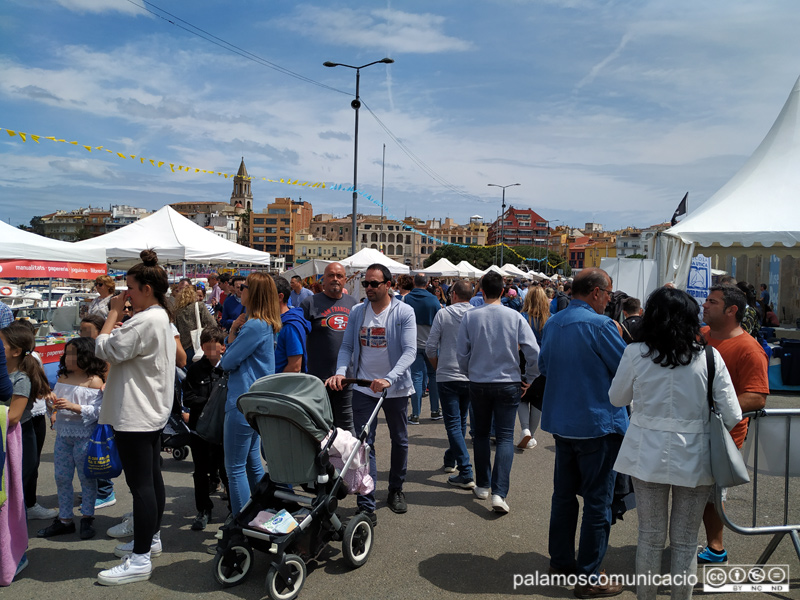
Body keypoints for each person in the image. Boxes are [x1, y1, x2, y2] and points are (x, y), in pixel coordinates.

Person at [609, 287, 741, 600]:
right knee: (684, 541)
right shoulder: (709, 356)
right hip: (694, 456)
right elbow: (733, 414)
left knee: (650, 537)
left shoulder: (635, 354)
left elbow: (617, 398)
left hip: (646, 453)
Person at [538, 268, 627, 598]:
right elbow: (625, 371)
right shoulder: (601, 325)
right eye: (608, 294)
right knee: (597, 502)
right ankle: (590, 575)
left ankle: (561, 560)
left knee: (563, 496)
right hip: (597, 424)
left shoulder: (553, 322)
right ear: (596, 293)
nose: (608, 300)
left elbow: (544, 367)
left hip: (564, 423)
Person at [94, 250, 176, 585]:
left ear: (145, 288)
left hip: (136, 413)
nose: (124, 295)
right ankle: (150, 540)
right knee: (151, 480)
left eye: (129, 288)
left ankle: (141, 557)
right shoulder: (160, 318)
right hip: (150, 410)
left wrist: (111, 316)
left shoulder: (145, 320)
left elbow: (105, 349)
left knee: (141, 485)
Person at [326, 263, 416, 521]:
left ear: (388, 285)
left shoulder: (403, 312)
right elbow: (346, 347)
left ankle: (396, 489)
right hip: (364, 389)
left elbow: (410, 351)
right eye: (366, 283)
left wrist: (389, 379)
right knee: (365, 443)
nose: (368, 288)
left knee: (400, 439)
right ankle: (367, 503)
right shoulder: (357, 312)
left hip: (395, 388)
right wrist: (342, 373)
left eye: (374, 284)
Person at [456, 270, 539, 515]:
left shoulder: (470, 317)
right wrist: (530, 378)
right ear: (503, 291)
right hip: (508, 382)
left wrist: (468, 371)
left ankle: (483, 484)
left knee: (480, 435)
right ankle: (499, 493)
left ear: (481, 290)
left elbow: (461, 353)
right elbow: (533, 351)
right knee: (503, 437)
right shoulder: (514, 316)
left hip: (479, 381)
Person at [697, 284, 769, 565]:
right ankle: (704, 545)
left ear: (732, 310)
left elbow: (757, 397)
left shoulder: (749, 349)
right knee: (697, 492)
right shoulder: (701, 335)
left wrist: (716, 409)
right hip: (694, 430)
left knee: (712, 495)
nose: (704, 305)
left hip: (723, 435)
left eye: (712, 302)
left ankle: (716, 548)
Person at [219, 272, 281, 517]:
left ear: (253, 293)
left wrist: (232, 335)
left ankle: (243, 522)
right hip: (256, 400)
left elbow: (227, 361)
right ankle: (263, 514)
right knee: (253, 462)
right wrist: (233, 331)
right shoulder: (265, 323)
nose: (239, 290)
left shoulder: (255, 325)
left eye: (243, 287)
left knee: (234, 467)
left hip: (242, 400)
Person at [37, 337, 106, 540]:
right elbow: (56, 406)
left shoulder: (94, 380)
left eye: (73, 354)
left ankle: (87, 517)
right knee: (61, 477)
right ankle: (65, 519)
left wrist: (75, 407)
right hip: (63, 435)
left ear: (86, 356)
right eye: (67, 353)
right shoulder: (63, 377)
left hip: (85, 436)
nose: (68, 358)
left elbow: (100, 411)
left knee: (87, 479)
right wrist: (52, 406)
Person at [426, 280, 475, 488]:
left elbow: (430, 347)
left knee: (454, 424)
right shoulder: (477, 314)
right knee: (460, 421)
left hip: (447, 374)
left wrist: (438, 367)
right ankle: (451, 459)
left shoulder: (443, 314)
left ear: (453, 294)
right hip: (470, 375)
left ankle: (466, 469)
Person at [300, 262, 358, 434]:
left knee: (347, 428)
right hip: (318, 379)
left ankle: (349, 461)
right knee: (320, 428)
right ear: (323, 280)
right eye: (331, 275)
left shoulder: (353, 304)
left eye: (339, 276)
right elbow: (299, 338)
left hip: (346, 379)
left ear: (345, 280)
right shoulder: (309, 303)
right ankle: (323, 461)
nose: (335, 279)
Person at [182, 326, 229, 531]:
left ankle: (234, 511)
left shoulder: (228, 369)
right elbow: (189, 398)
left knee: (226, 470)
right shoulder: (194, 370)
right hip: (199, 429)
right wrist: (211, 404)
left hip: (222, 430)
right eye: (206, 348)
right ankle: (203, 510)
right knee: (200, 471)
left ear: (223, 348)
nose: (210, 353)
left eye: (214, 348)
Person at [404, 274, 443, 423]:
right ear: (427, 284)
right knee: (433, 377)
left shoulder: (407, 299)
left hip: (413, 344)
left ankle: (415, 414)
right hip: (431, 344)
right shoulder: (433, 299)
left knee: (416, 377)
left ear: (414, 282)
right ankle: (434, 410)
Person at [518, 285, 550, 449]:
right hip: (544, 363)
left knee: (522, 397)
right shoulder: (550, 319)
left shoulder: (522, 317)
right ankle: (532, 434)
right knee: (538, 400)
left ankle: (525, 429)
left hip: (523, 360)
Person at [273, 277, 312, 373]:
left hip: (279, 385)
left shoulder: (290, 326)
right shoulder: (276, 320)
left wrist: (273, 383)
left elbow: (295, 366)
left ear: (280, 297)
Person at [174, 285, 216, 363]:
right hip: (199, 345)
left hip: (183, 347)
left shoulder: (177, 311)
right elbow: (212, 324)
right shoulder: (199, 306)